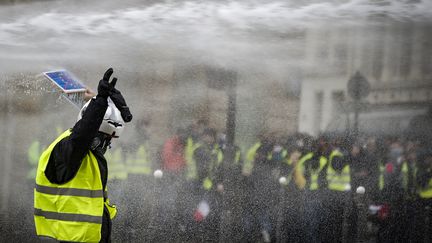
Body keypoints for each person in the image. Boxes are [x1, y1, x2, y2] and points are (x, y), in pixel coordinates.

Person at [34, 68, 132, 243]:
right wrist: (100, 102)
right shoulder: (68, 148)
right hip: (67, 238)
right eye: (104, 139)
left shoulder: (87, 155)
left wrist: (101, 101)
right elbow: (82, 135)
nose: (105, 145)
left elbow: (86, 127)